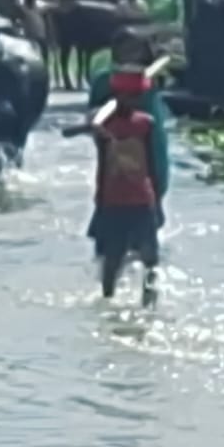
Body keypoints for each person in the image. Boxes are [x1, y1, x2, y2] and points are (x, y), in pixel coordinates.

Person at [85, 68, 164, 304]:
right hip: (123, 200)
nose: (134, 101)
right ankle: (118, 302)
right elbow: (105, 166)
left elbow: (151, 166)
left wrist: (156, 201)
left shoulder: (139, 124)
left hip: (130, 200)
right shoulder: (110, 125)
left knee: (142, 260)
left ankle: (139, 304)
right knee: (122, 260)